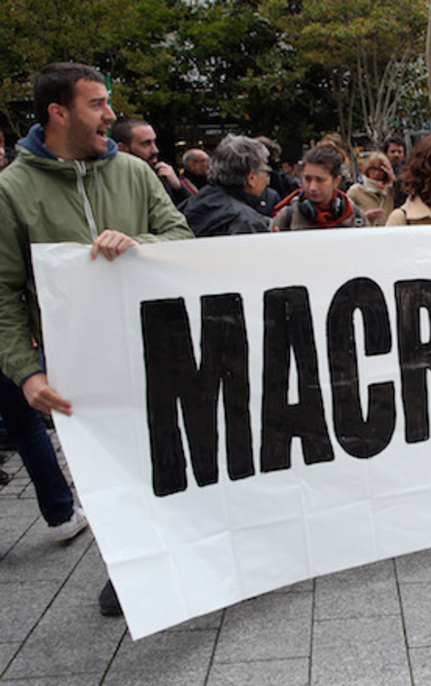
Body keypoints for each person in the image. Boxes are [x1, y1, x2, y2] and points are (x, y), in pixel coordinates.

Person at [0, 62, 194, 615]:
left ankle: (181, 556)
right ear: (58, 113)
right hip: (81, 366)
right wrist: (26, 373)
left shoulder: (132, 174)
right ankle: (127, 567)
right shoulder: (13, 191)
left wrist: (137, 241)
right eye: (97, 104)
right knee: (109, 471)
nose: (110, 114)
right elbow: (4, 292)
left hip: (157, 351)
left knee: (173, 455)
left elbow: (181, 236)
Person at [181, 135, 271, 237]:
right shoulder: (246, 222)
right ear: (251, 178)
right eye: (266, 171)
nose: (266, 177)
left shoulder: (193, 202)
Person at [272, 145, 366, 230]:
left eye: (320, 180)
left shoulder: (357, 218)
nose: (312, 187)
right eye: (307, 179)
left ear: (336, 181)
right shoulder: (286, 218)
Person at [111, 117, 194, 207]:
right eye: (146, 144)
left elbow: (195, 213)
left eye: (154, 142)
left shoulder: (162, 176)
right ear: (122, 149)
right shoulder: (111, 183)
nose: (155, 150)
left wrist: (179, 188)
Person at [347, 152, 395, 226]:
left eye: (380, 170)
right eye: (373, 169)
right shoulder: (356, 190)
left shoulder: (390, 190)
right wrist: (364, 216)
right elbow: (345, 218)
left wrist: (393, 178)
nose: (376, 173)